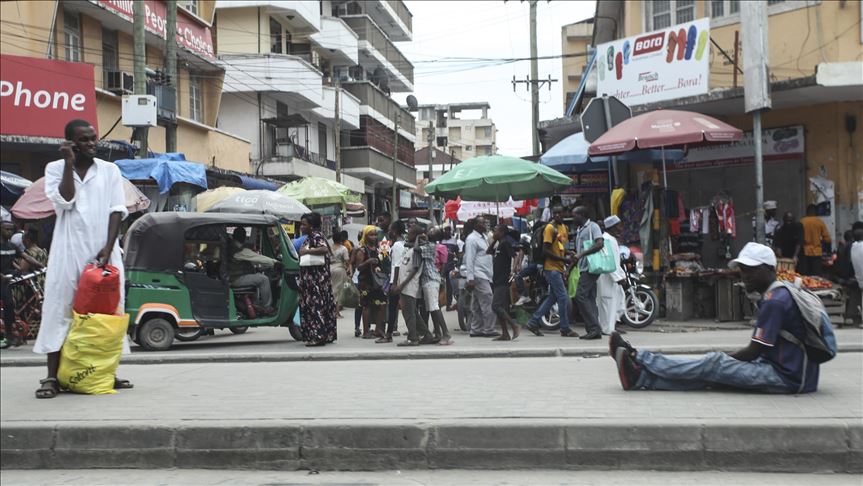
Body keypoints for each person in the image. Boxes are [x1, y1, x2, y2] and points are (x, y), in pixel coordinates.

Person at [610, 242, 823, 393]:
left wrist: (718, 361)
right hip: (790, 373)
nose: (744, 276)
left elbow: (752, 351)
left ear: (769, 269)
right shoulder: (779, 294)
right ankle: (640, 378)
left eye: (750, 270)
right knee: (711, 376)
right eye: (742, 270)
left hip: (786, 378)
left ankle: (639, 357)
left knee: (714, 365)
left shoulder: (775, 301)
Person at [34, 119, 131, 399]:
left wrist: (108, 248)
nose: (91, 144)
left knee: (107, 312)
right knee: (60, 309)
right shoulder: (55, 169)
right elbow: (65, 200)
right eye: (84, 140)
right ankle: (52, 377)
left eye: (93, 138)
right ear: (71, 143)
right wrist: (68, 163)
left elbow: (116, 210)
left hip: (104, 252)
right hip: (68, 252)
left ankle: (105, 372)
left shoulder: (110, 170)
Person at [525, 206, 579, 338]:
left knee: (552, 298)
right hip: (551, 268)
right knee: (562, 297)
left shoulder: (564, 228)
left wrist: (568, 253)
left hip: (559, 268)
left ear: (565, 214)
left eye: (560, 213)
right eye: (555, 213)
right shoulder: (550, 228)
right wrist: (564, 259)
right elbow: (546, 251)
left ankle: (533, 322)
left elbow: (560, 248)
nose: (557, 215)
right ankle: (565, 328)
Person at [298, 212, 337, 347]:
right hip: (316, 279)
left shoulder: (316, 236)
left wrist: (306, 251)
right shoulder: (312, 237)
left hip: (316, 280)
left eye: (304, 224)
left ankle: (318, 336)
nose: (301, 227)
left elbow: (324, 249)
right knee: (322, 305)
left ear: (312, 226)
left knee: (315, 307)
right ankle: (327, 334)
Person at [393, 225, 435, 346]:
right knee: (413, 313)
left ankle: (412, 338)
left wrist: (402, 285)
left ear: (416, 236)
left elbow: (415, 269)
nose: (407, 235)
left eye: (410, 233)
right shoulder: (410, 248)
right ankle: (427, 335)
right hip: (405, 285)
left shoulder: (417, 251)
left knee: (408, 314)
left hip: (409, 286)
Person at [413, 227, 453, 345]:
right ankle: (438, 334)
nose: (429, 232)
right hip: (428, 280)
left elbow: (416, 249)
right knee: (431, 308)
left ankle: (446, 334)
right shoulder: (428, 245)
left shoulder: (430, 246)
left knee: (434, 307)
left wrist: (417, 238)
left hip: (430, 279)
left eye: (432, 232)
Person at [571, 206, 605, 340]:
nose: (573, 218)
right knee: (590, 298)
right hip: (583, 267)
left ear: (582, 215)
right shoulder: (580, 230)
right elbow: (579, 253)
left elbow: (600, 244)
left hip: (591, 267)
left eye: (574, 215)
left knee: (580, 295)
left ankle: (594, 328)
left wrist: (581, 254)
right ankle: (594, 329)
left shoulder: (593, 226)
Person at [228, 227, 279, 315]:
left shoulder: (232, 246)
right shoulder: (239, 250)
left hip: (232, 277)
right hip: (236, 279)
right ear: (244, 237)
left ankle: (256, 305)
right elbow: (258, 258)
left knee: (257, 276)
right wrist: (275, 262)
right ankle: (268, 308)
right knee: (263, 279)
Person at [463, 216, 497, 337]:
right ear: (476, 225)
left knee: (477, 305)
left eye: (485, 222)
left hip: (485, 274)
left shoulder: (484, 237)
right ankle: (489, 329)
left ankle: (476, 329)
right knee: (488, 300)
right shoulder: (472, 239)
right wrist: (470, 278)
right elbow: (469, 259)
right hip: (478, 274)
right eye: (482, 223)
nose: (485, 225)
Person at [353, 225, 388, 340]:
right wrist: (368, 261)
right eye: (371, 235)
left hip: (377, 281)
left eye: (375, 234)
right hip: (365, 281)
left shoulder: (378, 249)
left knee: (381, 304)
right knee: (366, 305)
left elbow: (383, 261)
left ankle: (378, 329)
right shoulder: (362, 250)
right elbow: (359, 267)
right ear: (365, 236)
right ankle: (366, 331)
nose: (374, 237)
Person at [488, 224, 520, 341]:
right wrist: (494, 240)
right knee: (500, 307)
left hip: (503, 279)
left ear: (502, 233)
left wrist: (513, 269)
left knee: (495, 306)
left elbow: (515, 256)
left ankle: (514, 325)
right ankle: (505, 333)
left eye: (496, 231)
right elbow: (488, 251)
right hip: (496, 279)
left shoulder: (505, 243)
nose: (493, 233)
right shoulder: (499, 244)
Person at [597, 216, 627, 336]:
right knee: (607, 303)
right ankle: (607, 329)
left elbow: (615, 261)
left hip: (614, 277)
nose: (621, 228)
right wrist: (618, 277)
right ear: (612, 227)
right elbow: (607, 261)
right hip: (606, 278)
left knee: (618, 301)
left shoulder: (612, 239)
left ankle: (612, 326)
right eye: (619, 226)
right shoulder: (605, 239)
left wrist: (621, 275)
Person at [385, 221, 407, 340]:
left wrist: (394, 283)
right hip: (400, 279)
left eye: (390, 229)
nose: (388, 232)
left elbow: (397, 265)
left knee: (392, 307)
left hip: (396, 280)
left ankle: (389, 334)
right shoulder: (402, 243)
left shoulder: (398, 245)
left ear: (394, 231)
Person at [798, 204, 831, 276]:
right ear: (815, 212)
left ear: (807, 212)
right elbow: (827, 239)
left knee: (805, 275)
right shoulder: (819, 222)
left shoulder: (802, 221)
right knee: (816, 276)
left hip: (804, 252)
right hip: (817, 252)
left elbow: (798, 238)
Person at [330, 231, 351, 319]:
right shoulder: (343, 249)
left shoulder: (329, 247)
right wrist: (349, 269)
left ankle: (332, 312)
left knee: (331, 290)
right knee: (338, 291)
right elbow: (346, 260)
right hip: (339, 270)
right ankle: (336, 312)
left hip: (329, 269)